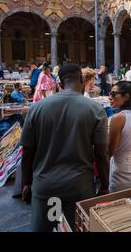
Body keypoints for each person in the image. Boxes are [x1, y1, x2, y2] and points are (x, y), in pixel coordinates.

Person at [20, 65, 110, 232]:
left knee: (47, 228)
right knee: (79, 228)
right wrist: (105, 185)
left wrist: (26, 183)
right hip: (80, 186)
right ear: (82, 80)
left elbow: (27, 152)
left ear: (59, 82)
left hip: (45, 185)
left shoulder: (37, 109)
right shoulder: (95, 110)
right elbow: (101, 154)